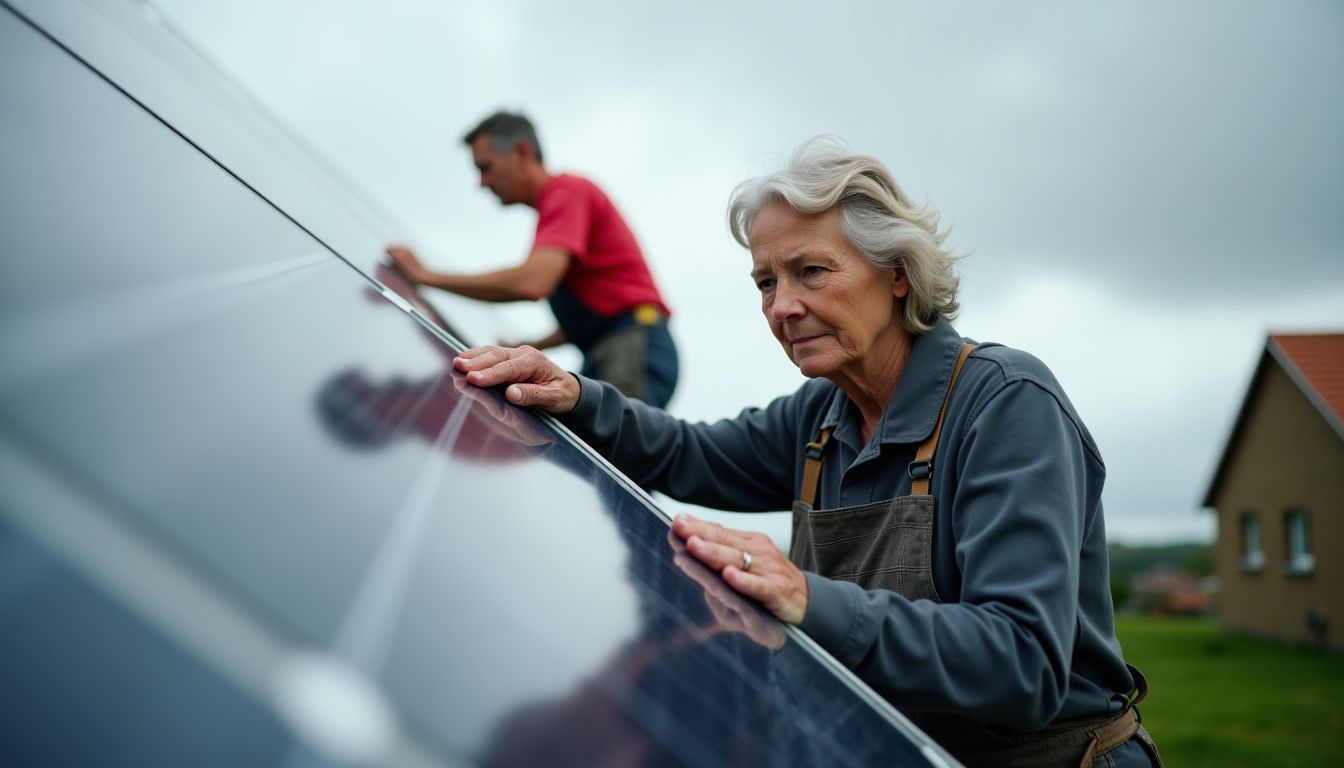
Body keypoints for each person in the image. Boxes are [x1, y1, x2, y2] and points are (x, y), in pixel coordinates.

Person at [450, 138, 1162, 767]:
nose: (781, 307)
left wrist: (803, 597)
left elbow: (1021, 664)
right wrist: (577, 394)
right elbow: (688, 454)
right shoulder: (820, 414)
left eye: (811, 272)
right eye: (766, 281)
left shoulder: (1007, 404)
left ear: (897, 273)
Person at [386, 111, 678, 408]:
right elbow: (597, 312)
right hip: (621, 346)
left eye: (486, 168)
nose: (482, 182)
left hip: (632, 347)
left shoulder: (567, 192)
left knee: (614, 444)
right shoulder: (561, 206)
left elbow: (532, 283)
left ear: (523, 152)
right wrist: (530, 346)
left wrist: (425, 276)